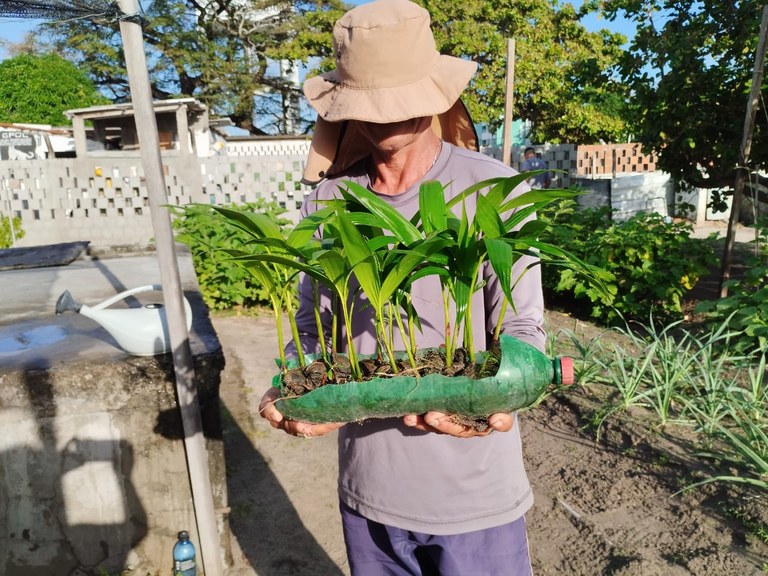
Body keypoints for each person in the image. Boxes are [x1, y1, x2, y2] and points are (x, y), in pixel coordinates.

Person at [259, 1, 545, 574]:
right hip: (367, 491)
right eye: (371, 102)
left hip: (474, 499)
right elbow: (310, 329)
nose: (387, 116)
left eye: (400, 99)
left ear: (434, 94)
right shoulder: (329, 201)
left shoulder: (492, 189)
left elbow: (521, 328)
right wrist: (291, 385)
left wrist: (502, 400)